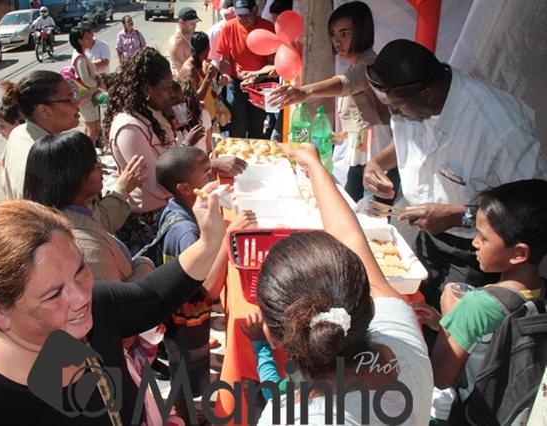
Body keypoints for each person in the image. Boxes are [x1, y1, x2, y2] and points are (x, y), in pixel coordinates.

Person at [0, 191, 226, 425]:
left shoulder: (89, 311)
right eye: (52, 295)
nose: (80, 298)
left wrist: (209, 241)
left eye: (79, 270)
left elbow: (150, 298)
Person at [255, 143, 433, 425]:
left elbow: (350, 239)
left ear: (272, 335)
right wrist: (314, 165)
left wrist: (314, 166)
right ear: (364, 301)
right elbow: (350, 237)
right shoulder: (400, 329)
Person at [363, 39, 547, 310]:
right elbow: (412, 139)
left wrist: (461, 215)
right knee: (421, 313)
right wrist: (377, 162)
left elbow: (537, 205)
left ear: (426, 94)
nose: (394, 114)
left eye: (398, 107)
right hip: (426, 238)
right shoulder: (411, 99)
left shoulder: (499, 127)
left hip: (473, 253)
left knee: (452, 332)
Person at [411, 179, 547, 424]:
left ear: (519, 253)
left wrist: (448, 322)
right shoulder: (540, 292)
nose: (474, 242)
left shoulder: (476, 305)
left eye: (483, 238)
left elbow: (441, 375)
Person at [104, 47, 247, 254]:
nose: (172, 94)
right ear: (146, 90)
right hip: (151, 221)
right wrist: (210, 165)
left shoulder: (153, 115)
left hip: (170, 208)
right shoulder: (129, 128)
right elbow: (158, 183)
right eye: (166, 88)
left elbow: (169, 159)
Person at [155, 146, 257, 422]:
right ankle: (184, 417)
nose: (214, 177)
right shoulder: (186, 231)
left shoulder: (175, 209)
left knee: (184, 372)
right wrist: (230, 235)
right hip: (186, 319)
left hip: (179, 314)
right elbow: (208, 290)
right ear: (185, 188)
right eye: (206, 174)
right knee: (186, 376)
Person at [269, 1, 393, 202]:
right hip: (361, 153)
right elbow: (362, 119)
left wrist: (306, 91)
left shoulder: (369, 63)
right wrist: (338, 137)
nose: (337, 41)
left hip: (377, 156)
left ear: (362, 32)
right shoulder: (356, 64)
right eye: (334, 34)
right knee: (350, 204)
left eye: (345, 34)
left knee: (368, 213)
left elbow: (347, 83)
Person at [23, 130, 153, 283]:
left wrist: (122, 189)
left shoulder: (62, 214)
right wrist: (144, 264)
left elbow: (99, 219)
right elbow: (120, 301)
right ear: (73, 177)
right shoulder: (85, 248)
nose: (101, 168)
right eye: (95, 163)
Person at [0, 71, 81, 200]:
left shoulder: (17, 133)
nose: (77, 103)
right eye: (69, 99)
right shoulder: (51, 159)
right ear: (44, 111)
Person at [216, 0, 275, 138]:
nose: (243, 19)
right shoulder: (229, 27)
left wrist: (256, 77)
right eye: (240, 15)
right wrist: (225, 74)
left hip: (260, 84)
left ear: (255, 10)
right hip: (236, 83)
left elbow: (272, 64)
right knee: (238, 124)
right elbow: (225, 59)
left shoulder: (267, 28)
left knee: (257, 123)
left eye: (246, 15)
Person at [70, 25, 101, 144]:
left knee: (91, 128)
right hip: (87, 98)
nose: (90, 39)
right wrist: (97, 82)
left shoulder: (82, 55)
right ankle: (88, 155)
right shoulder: (80, 59)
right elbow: (86, 80)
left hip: (88, 96)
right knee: (94, 130)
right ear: (80, 41)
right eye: (87, 37)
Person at [179, 31, 221, 119]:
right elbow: (195, 98)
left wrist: (212, 93)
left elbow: (202, 87)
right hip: (201, 122)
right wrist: (208, 77)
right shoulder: (190, 70)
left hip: (210, 118)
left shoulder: (199, 64)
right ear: (207, 49)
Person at [169, 78, 212, 152]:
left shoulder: (203, 115)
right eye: (175, 101)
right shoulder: (165, 126)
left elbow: (209, 147)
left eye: (183, 101)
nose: (180, 105)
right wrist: (173, 130)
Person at [0, 102, 25, 195]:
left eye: (2, 126)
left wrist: (0, 166)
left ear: (16, 123)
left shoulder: (17, 147)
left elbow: (6, 187)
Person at [167, 7, 201, 74]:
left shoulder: (191, 36)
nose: (195, 26)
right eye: (191, 23)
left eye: (195, 22)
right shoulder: (177, 43)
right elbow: (182, 73)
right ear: (181, 22)